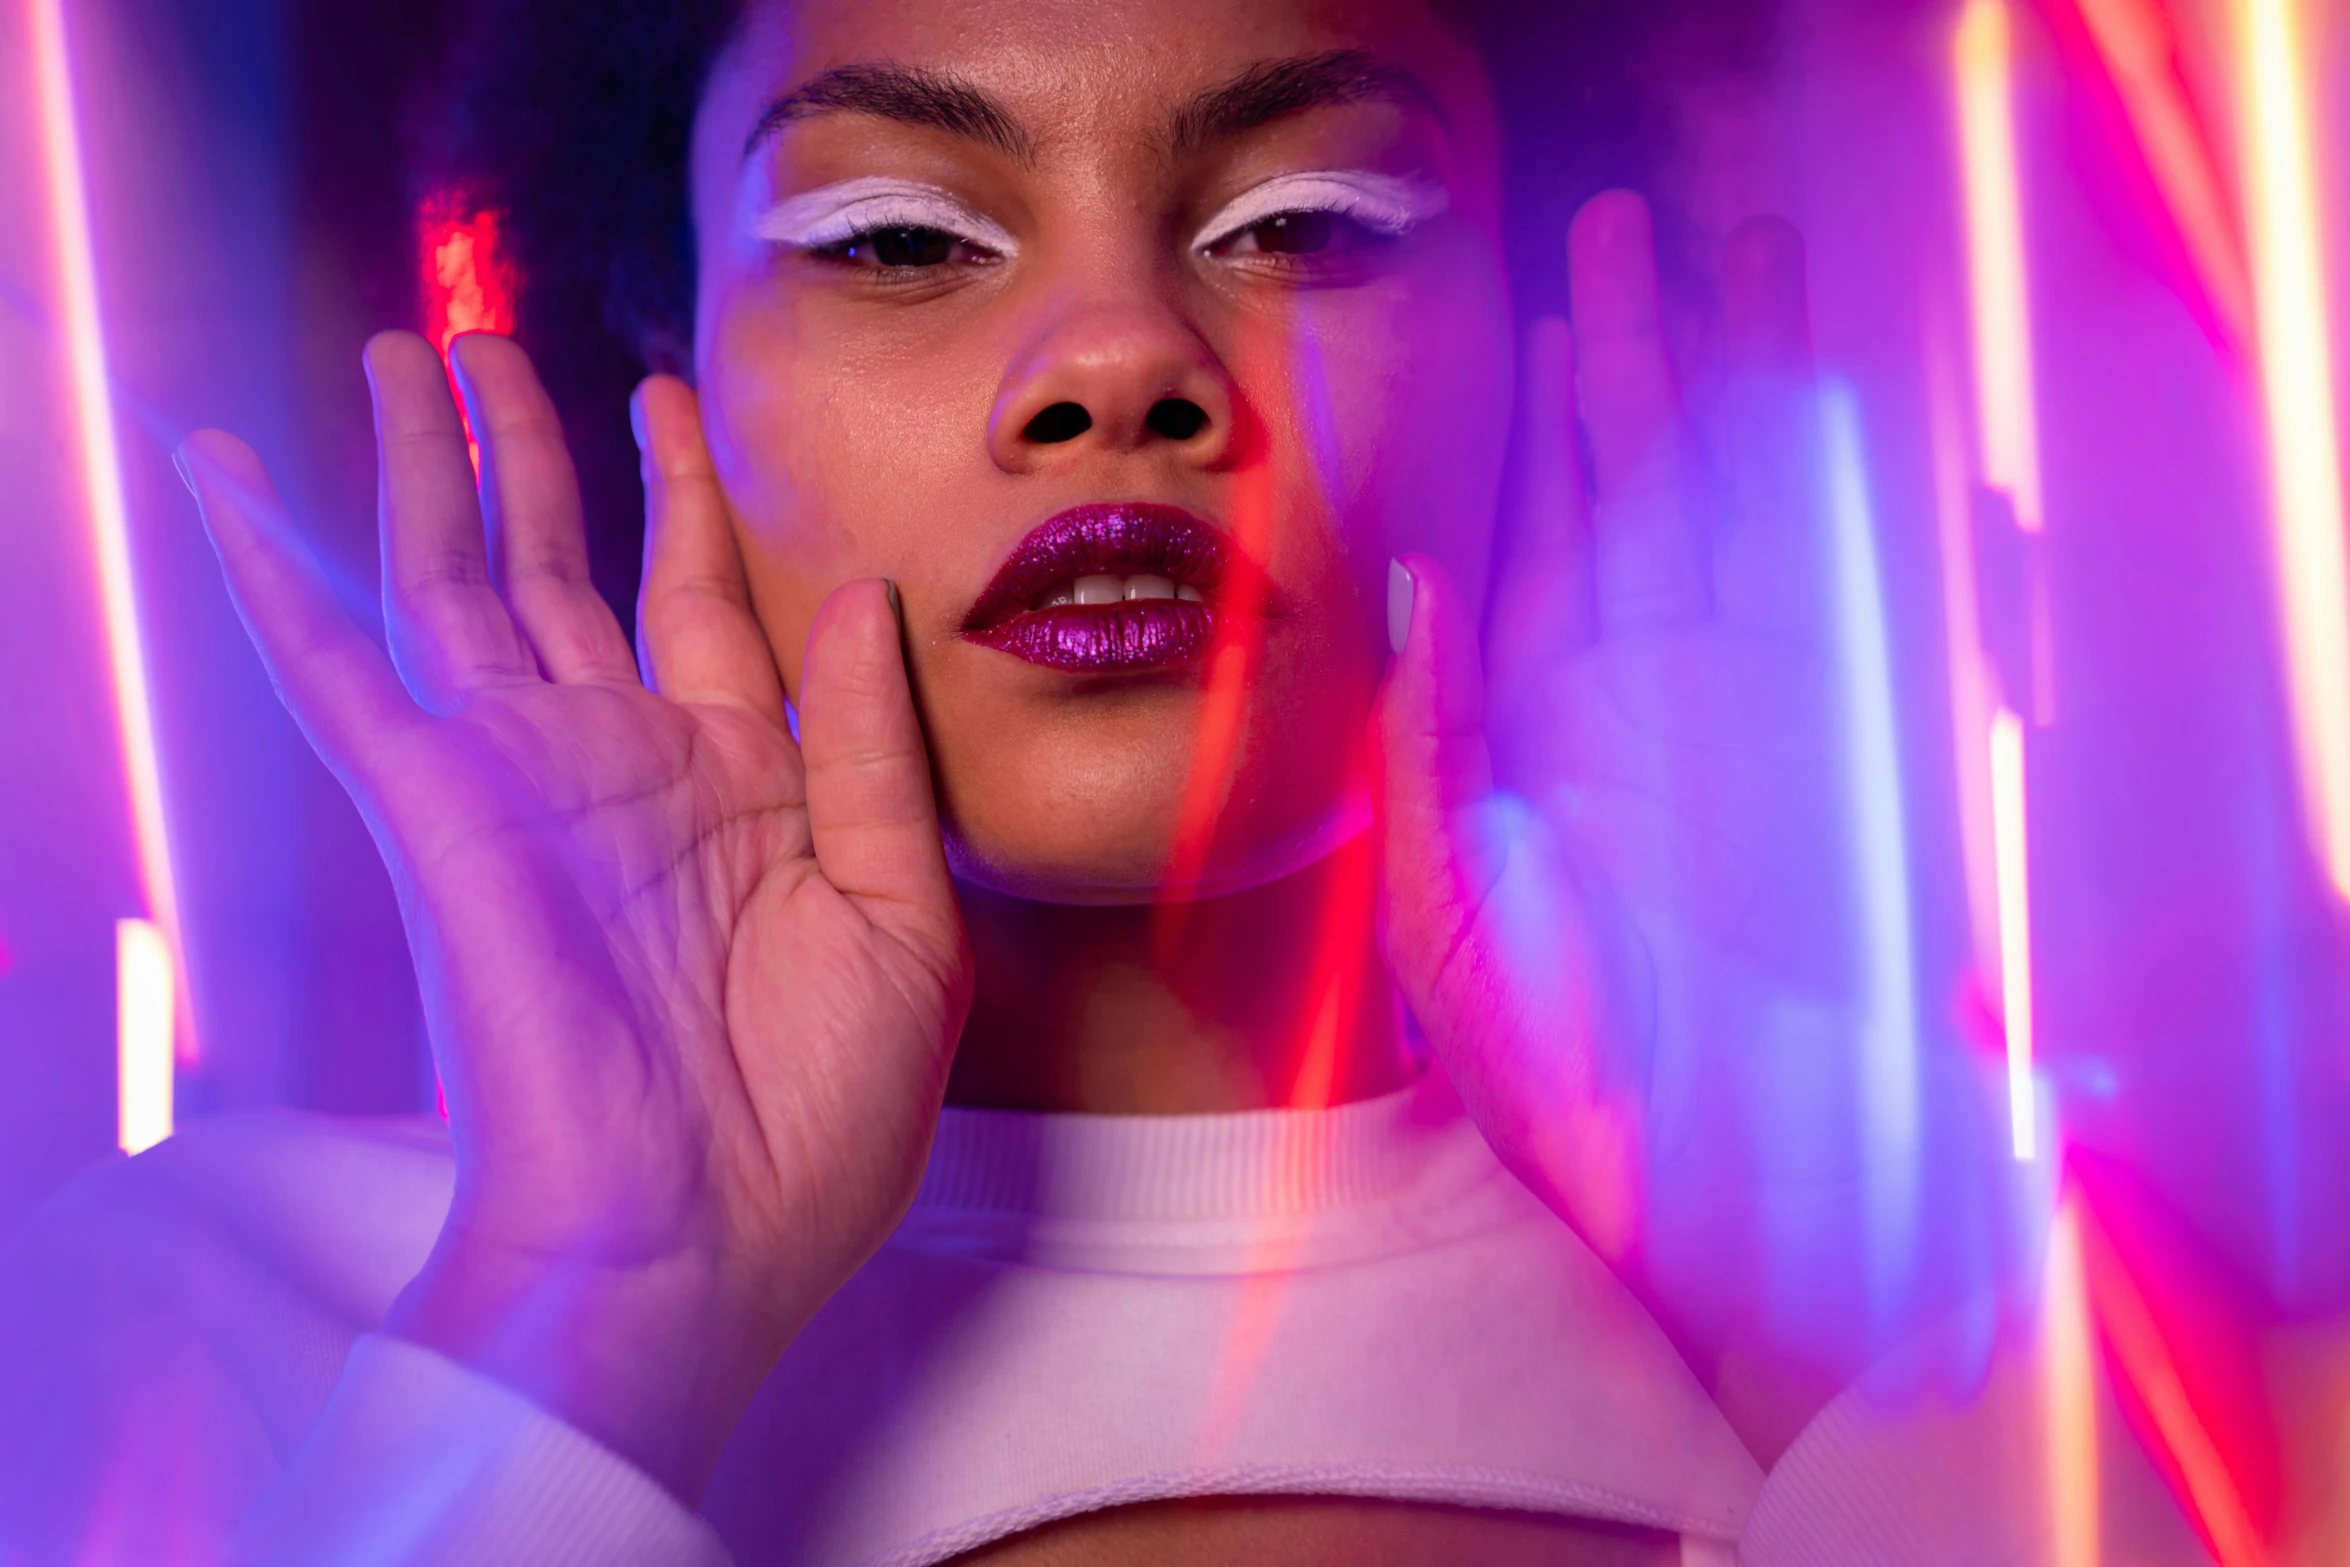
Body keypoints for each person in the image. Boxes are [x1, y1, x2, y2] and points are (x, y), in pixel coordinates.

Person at [0, 0, 2096, 1562]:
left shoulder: (2032, 1358)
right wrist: (592, 1318)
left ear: (1529, 311)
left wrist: (1806, 1278)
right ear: (678, 357)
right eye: (901, 240)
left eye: (1306, 219)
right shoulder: (205, 1314)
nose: (1116, 358)